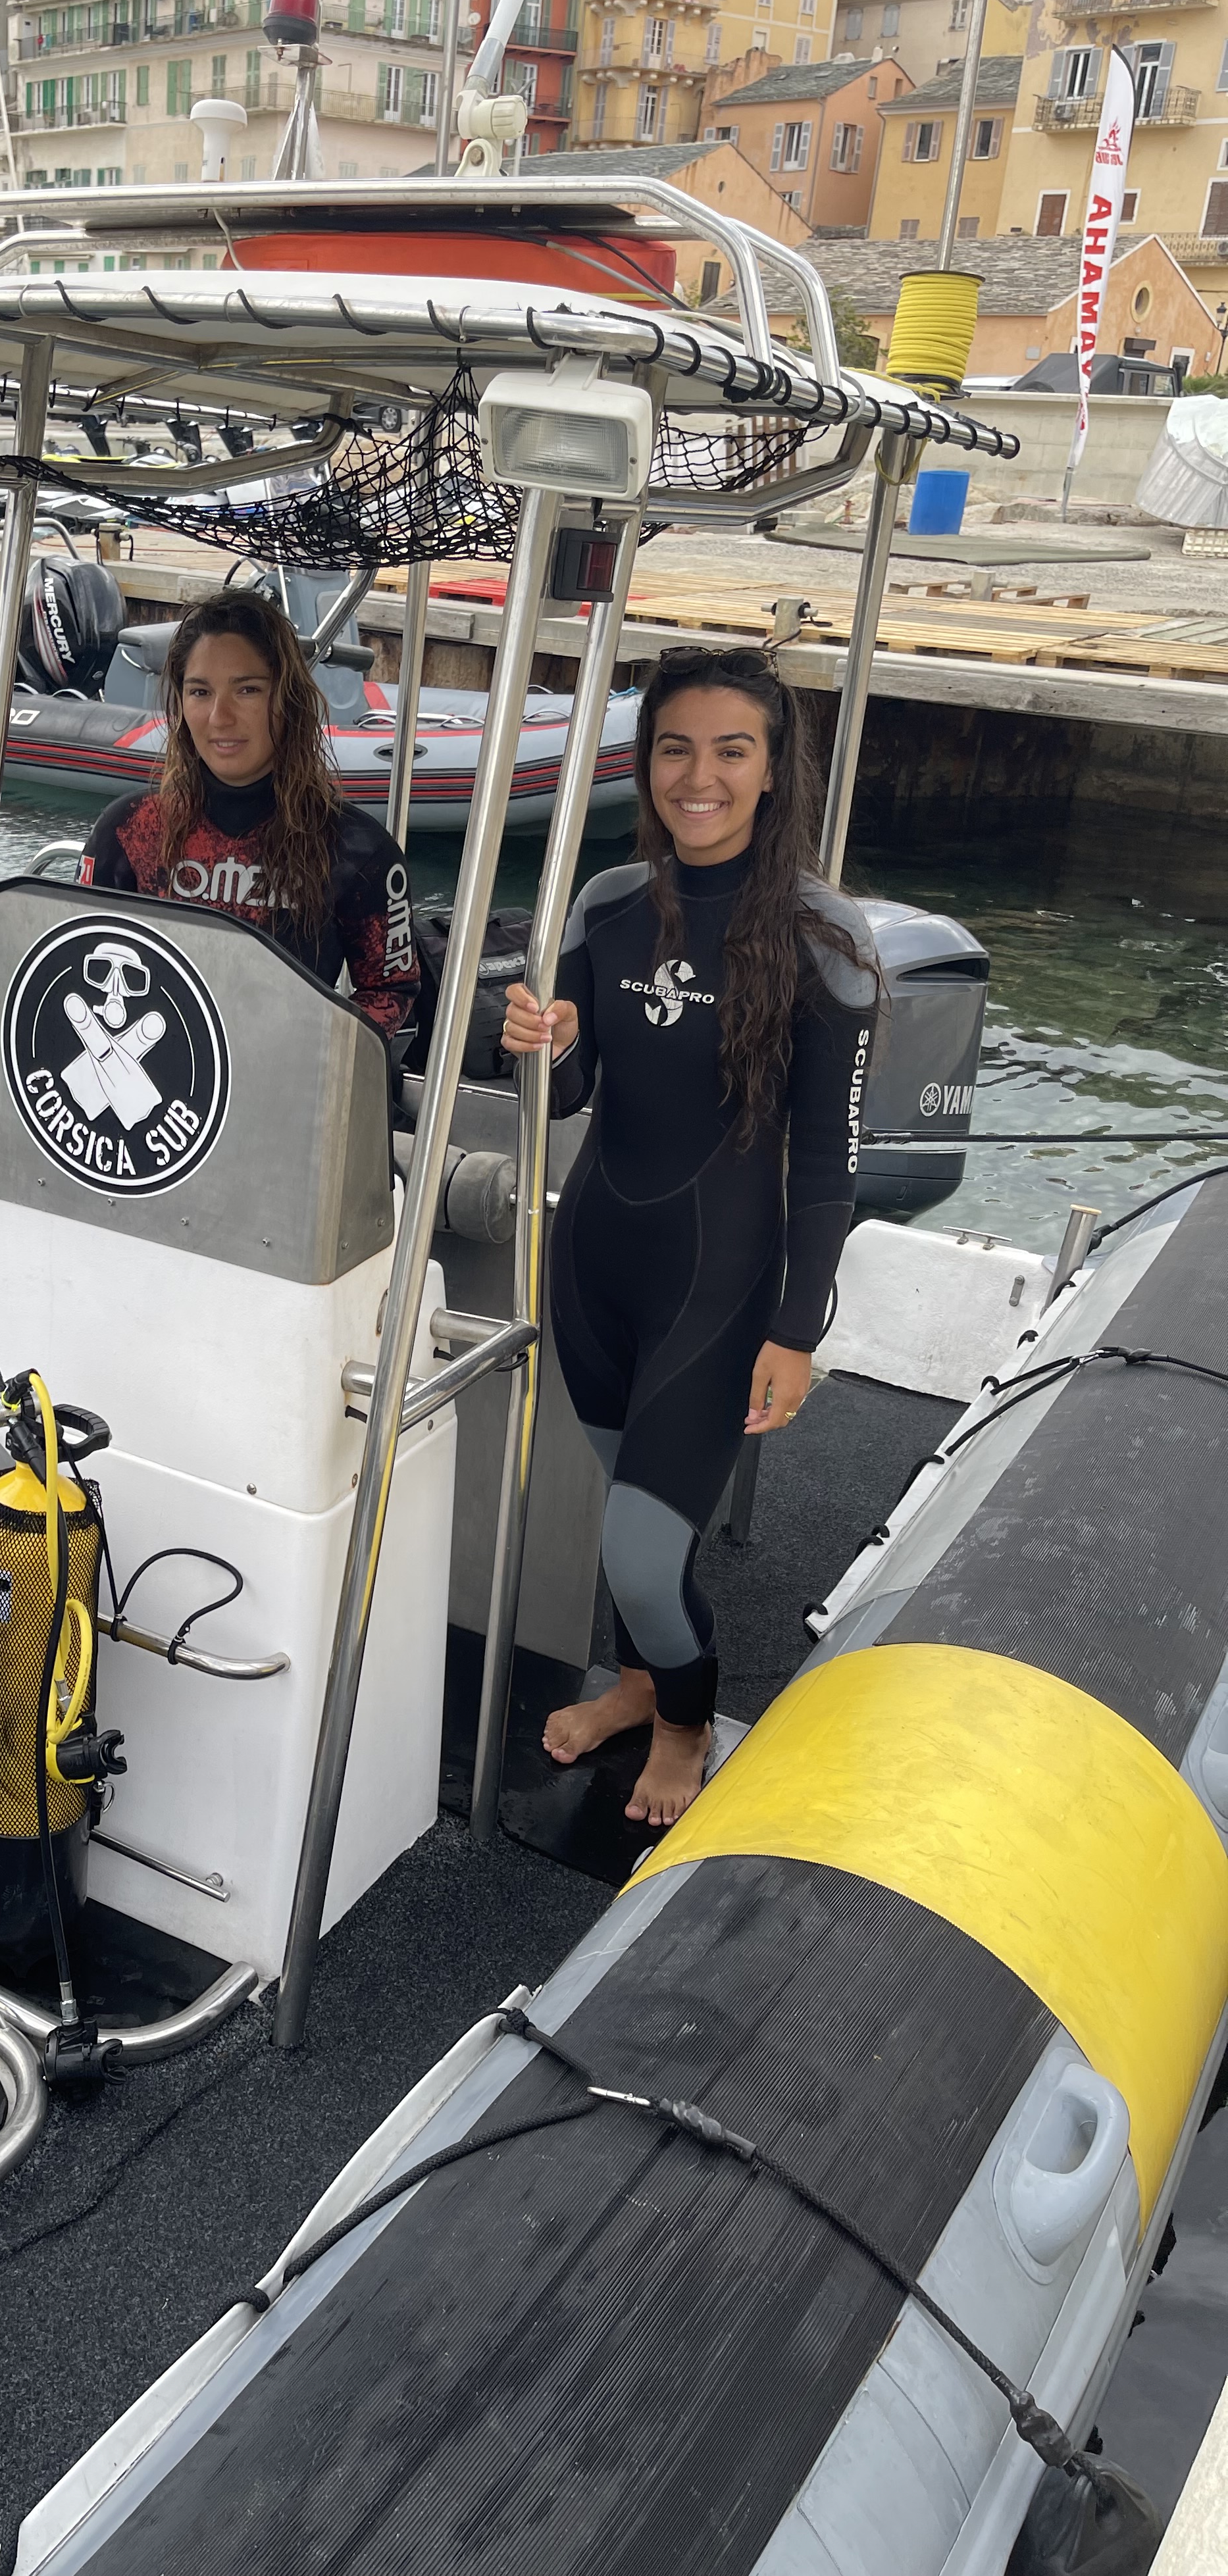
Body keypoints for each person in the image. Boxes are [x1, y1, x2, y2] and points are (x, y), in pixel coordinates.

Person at [500, 644, 878, 1832]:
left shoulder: (822, 937)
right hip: (596, 1262)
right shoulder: (608, 906)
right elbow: (565, 1098)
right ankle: (632, 1682)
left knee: (641, 1553)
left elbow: (823, 1162)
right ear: (644, 759)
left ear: (770, 772)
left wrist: (796, 1328)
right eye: (673, 747)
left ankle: (683, 1722)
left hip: (716, 1287)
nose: (696, 775)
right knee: (627, 1519)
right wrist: (540, 1042)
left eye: (729, 750)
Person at [78, 591, 420, 1040]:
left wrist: (315, 1059)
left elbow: (390, 990)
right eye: (200, 691)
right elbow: (78, 964)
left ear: (289, 699)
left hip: (283, 1090)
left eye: (247, 690)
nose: (220, 717)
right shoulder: (128, 832)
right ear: (180, 704)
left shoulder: (358, 850)